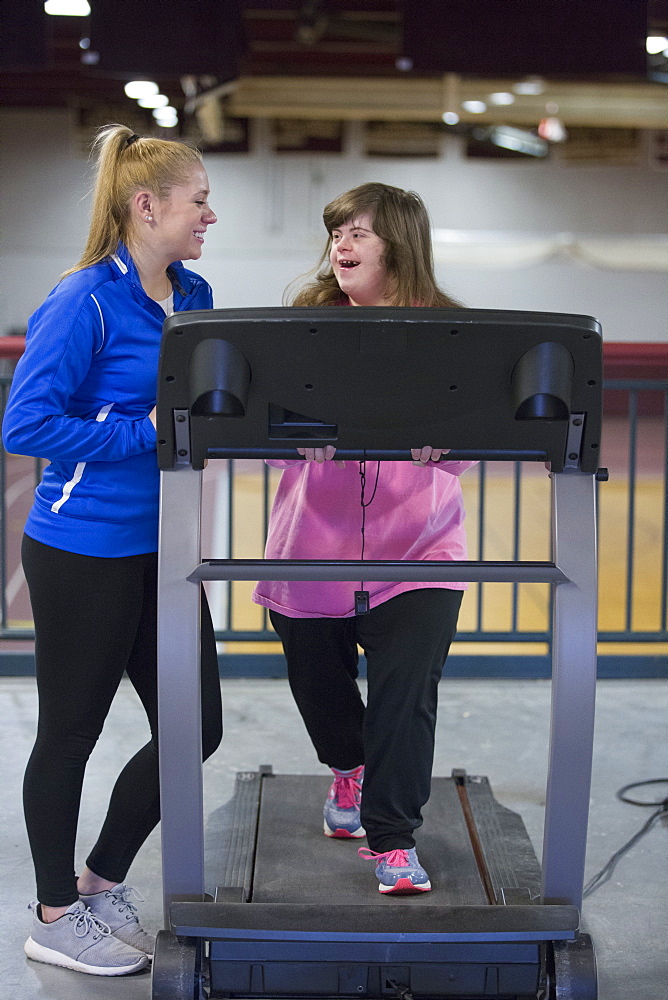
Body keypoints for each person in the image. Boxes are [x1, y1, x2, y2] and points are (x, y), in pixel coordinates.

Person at [2, 125, 222, 975]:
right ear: (147, 206)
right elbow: (25, 423)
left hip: (165, 550)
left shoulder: (194, 294)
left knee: (193, 726)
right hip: (83, 547)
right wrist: (144, 430)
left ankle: (98, 883)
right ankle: (54, 914)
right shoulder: (83, 300)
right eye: (197, 199)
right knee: (70, 733)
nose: (210, 213)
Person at [253, 182, 477, 896]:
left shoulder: (452, 332)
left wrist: (450, 445)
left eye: (357, 233)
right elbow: (258, 432)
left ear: (399, 245)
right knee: (318, 686)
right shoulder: (304, 327)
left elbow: (479, 434)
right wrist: (292, 442)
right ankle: (346, 768)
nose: (339, 246)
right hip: (310, 552)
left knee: (405, 696)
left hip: (420, 553)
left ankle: (393, 841)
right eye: (336, 234)